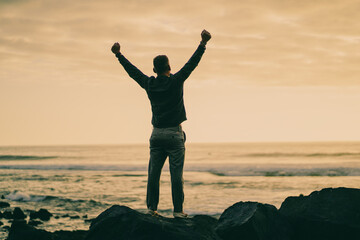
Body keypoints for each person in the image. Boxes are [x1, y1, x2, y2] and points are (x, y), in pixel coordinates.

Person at [111, 29, 211, 218]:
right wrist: (203, 43)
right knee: (176, 176)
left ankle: (151, 209)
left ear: (155, 70)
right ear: (169, 67)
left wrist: (118, 55)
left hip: (156, 135)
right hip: (174, 134)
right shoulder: (176, 81)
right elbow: (192, 64)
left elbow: (133, 72)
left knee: (153, 174)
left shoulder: (150, 84)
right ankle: (178, 211)